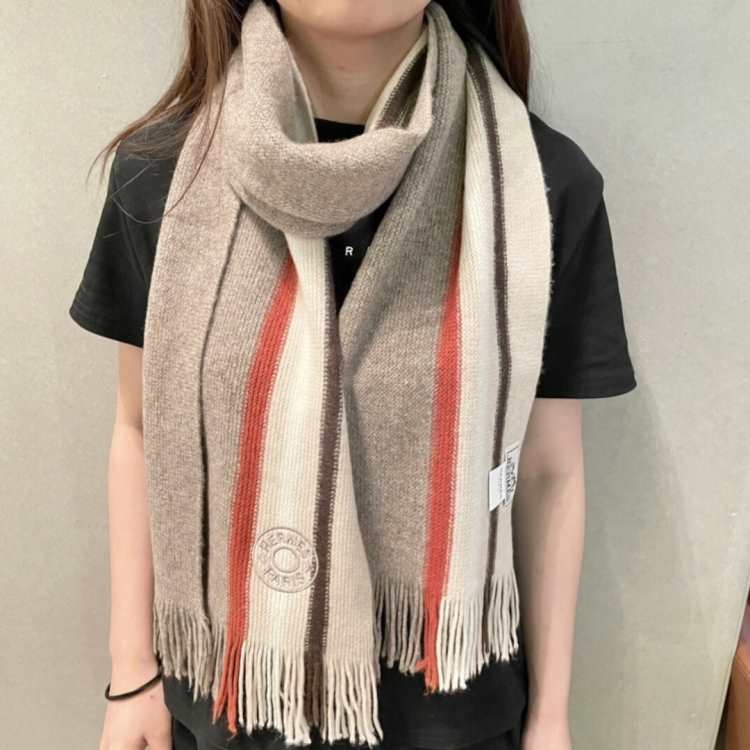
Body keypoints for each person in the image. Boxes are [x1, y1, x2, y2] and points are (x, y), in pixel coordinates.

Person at [68, 2, 637, 749]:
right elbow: (141, 432)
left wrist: (551, 717)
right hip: (231, 701)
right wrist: (132, 675)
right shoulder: (163, 176)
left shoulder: (540, 186)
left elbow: (547, 471)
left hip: (454, 707)